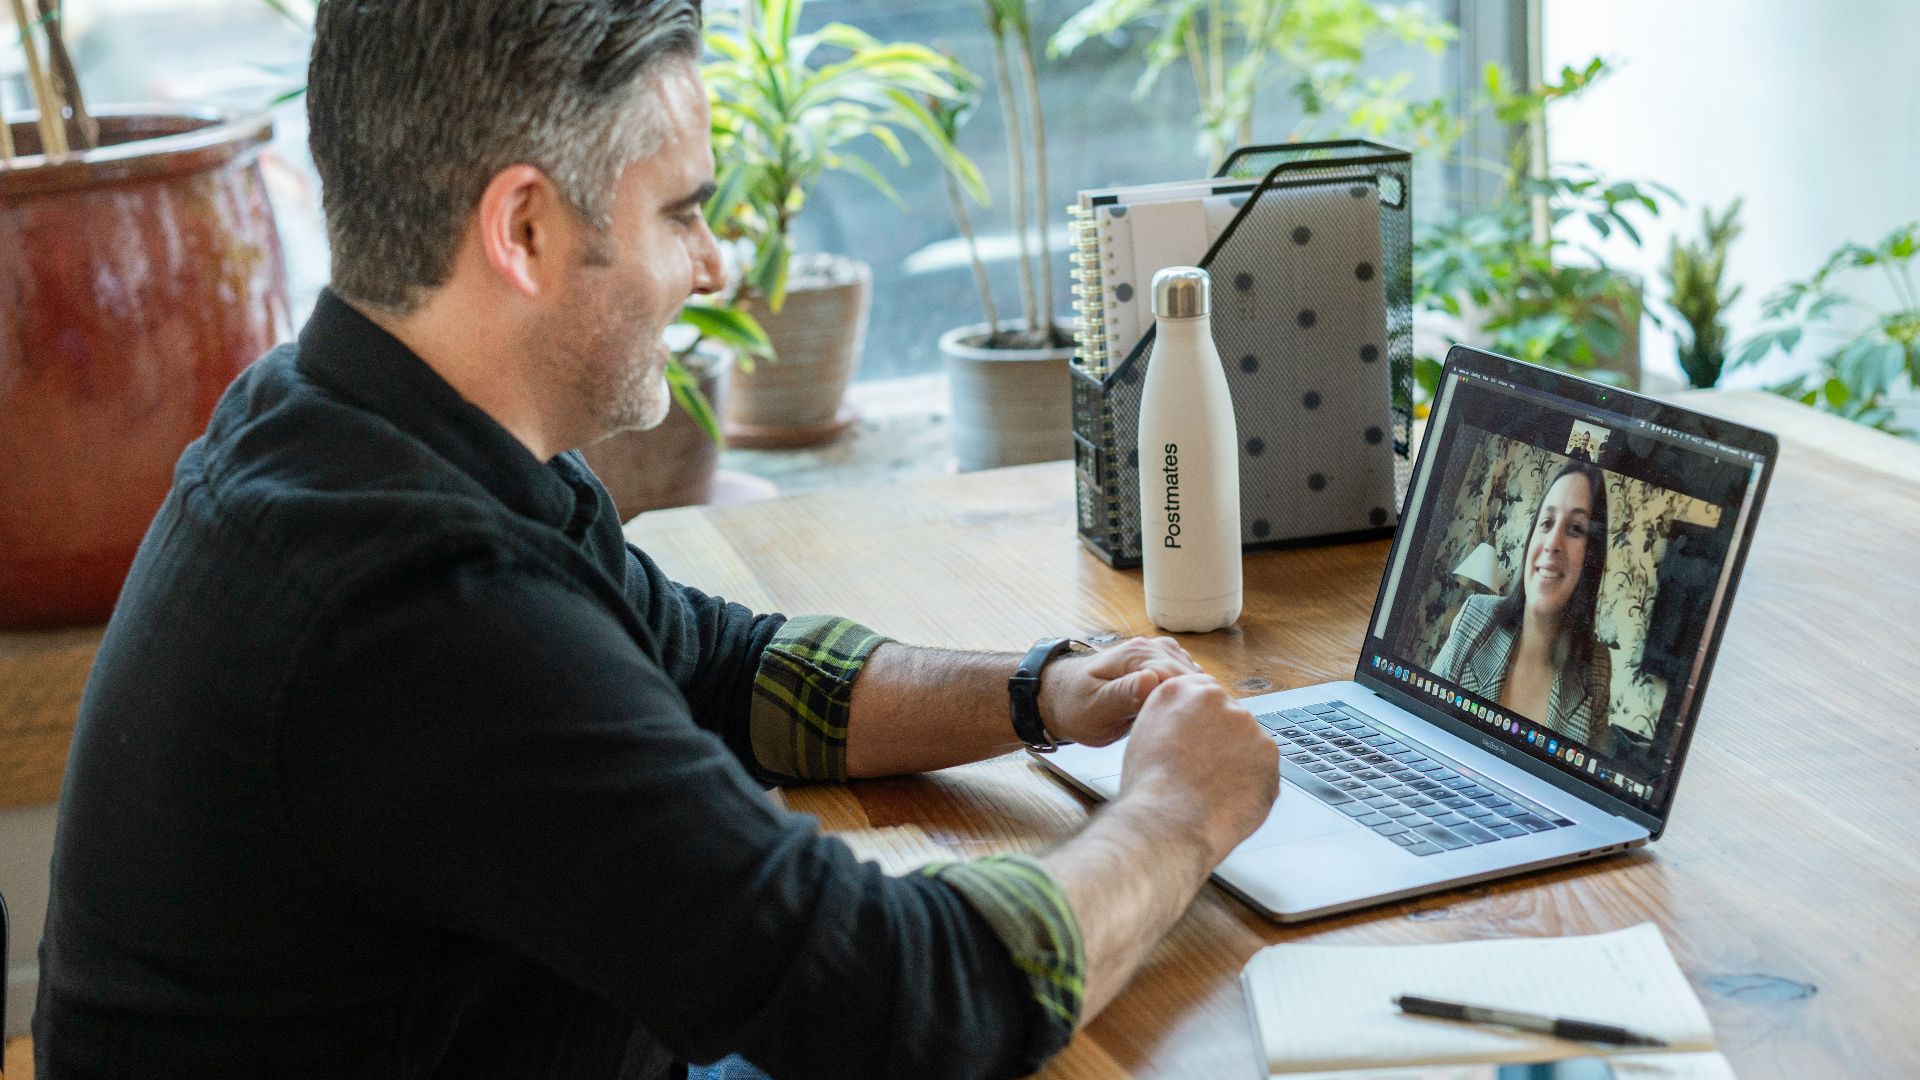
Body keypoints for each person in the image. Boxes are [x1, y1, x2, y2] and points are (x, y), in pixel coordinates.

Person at [31, 3, 1280, 1079]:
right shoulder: (424, 616)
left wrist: (1042, 693)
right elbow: (903, 1005)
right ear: (522, 231)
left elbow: (714, 666)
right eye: (682, 211)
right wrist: (1177, 812)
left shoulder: (344, 421)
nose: (715, 262)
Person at [1432, 459, 1614, 751]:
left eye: (1576, 529)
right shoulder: (1474, 617)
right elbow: (1419, 721)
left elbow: (1585, 785)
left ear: (1591, 557)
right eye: (1546, 522)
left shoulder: (1597, 667)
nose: (1553, 542)